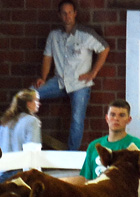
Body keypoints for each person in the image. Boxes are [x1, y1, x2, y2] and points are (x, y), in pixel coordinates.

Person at [35, 0, 109, 151]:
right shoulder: (54, 35)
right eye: (64, 13)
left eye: (70, 13)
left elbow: (105, 48)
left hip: (80, 84)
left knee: (77, 119)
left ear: (75, 14)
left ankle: (71, 155)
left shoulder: (85, 34)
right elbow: (47, 57)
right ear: (59, 15)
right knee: (29, 95)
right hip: (59, 81)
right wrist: (43, 77)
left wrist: (93, 73)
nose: (67, 16)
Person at [78, 99, 140, 182]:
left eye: (121, 115)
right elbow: (87, 178)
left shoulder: (135, 144)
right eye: (112, 115)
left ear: (129, 120)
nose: (116, 118)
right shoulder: (94, 145)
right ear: (106, 118)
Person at [0, 88, 41, 175]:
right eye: (36, 100)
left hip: (2, 173)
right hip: (21, 173)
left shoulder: (5, 121)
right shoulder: (32, 121)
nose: (39, 103)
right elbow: (32, 150)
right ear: (28, 103)